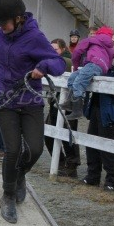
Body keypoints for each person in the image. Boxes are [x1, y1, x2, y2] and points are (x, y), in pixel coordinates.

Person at [0, 0, 66, 223]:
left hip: (29, 100)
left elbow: (59, 62)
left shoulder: (35, 37)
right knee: (12, 149)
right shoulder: (1, 35)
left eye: (4, 22)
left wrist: (43, 67)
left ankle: (19, 175)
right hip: (5, 98)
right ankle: (8, 195)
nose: (1, 28)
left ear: (18, 19)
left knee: (35, 149)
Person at [82, 36, 114, 191]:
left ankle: (112, 181)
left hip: (112, 110)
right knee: (91, 144)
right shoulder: (101, 64)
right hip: (98, 108)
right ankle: (93, 176)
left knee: (107, 147)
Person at [59, 26, 114, 120]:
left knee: (78, 82)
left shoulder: (91, 39)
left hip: (93, 63)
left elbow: (77, 52)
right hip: (100, 68)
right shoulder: (110, 46)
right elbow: (110, 60)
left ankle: (77, 111)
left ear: (98, 33)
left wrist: (76, 66)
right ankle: (69, 102)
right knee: (73, 77)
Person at [45, 38, 80, 177]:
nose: (53, 52)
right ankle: (60, 162)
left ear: (63, 49)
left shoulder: (66, 62)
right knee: (48, 133)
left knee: (68, 133)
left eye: (55, 50)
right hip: (55, 100)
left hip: (68, 102)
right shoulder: (54, 61)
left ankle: (72, 165)